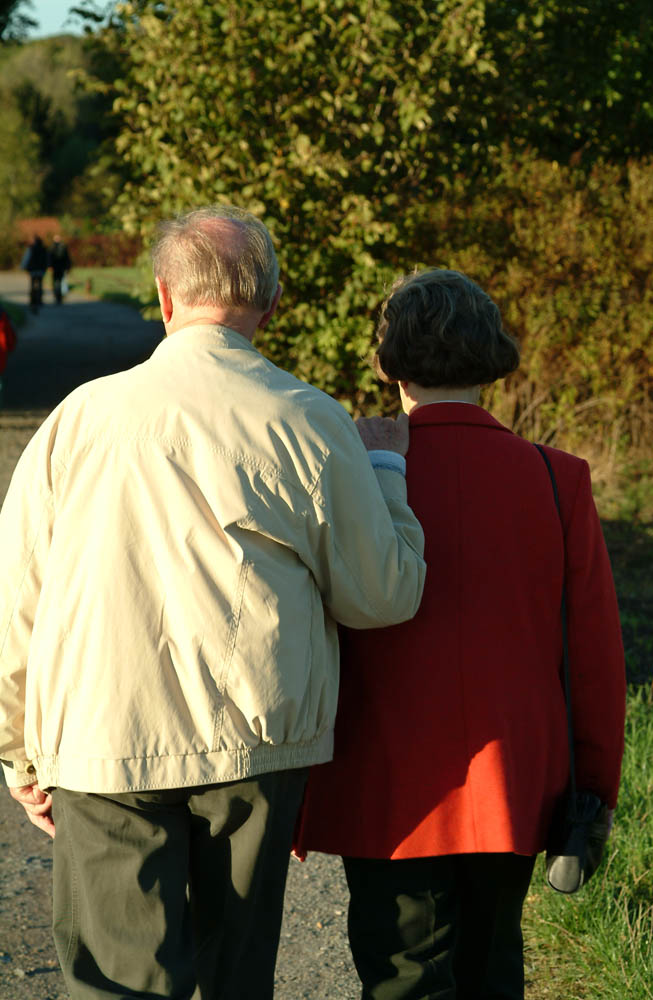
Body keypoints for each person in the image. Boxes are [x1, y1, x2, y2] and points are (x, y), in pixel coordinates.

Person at [0, 205, 427, 1000]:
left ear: (163, 298)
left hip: (101, 739)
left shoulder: (77, 420)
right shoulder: (310, 421)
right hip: (253, 745)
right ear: (269, 304)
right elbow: (382, 597)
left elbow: (16, 598)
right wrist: (388, 476)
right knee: (236, 974)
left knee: (117, 985)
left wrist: (19, 750)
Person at [295, 268, 626, 1000]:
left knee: (400, 977)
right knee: (492, 966)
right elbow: (596, 658)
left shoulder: (350, 472)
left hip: (380, 774)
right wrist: (595, 788)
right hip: (511, 776)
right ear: (494, 358)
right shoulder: (554, 477)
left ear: (386, 364)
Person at [20, 235, 48, 312]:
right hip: (41, 270)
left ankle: (33, 301)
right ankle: (39, 300)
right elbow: (47, 259)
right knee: (40, 286)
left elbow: (27, 259)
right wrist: (46, 267)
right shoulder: (44, 249)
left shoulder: (31, 248)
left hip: (33, 270)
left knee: (32, 286)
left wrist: (23, 267)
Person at [48, 234, 72, 304]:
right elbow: (67, 258)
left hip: (56, 268)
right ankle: (58, 296)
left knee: (56, 282)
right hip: (61, 268)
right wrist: (68, 267)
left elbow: (49, 258)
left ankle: (57, 295)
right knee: (59, 281)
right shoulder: (63, 247)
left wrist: (49, 266)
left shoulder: (51, 247)